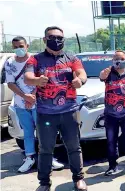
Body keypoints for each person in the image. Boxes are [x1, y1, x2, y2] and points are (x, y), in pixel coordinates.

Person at [24, 26, 87, 191]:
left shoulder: (71, 57)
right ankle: (44, 183)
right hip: (46, 114)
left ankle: (78, 179)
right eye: (52, 37)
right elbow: (28, 78)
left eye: (60, 38)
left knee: (74, 146)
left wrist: (79, 81)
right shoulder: (35, 60)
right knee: (45, 149)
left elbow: (82, 74)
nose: (57, 40)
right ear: (45, 40)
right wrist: (37, 80)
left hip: (69, 112)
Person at [5, 36, 65, 173]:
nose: (18, 49)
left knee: (45, 132)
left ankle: (49, 158)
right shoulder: (10, 62)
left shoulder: (36, 59)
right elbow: (10, 83)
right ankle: (29, 157)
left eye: (21, 46)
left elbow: (43, 80)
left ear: (27, 46)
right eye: (15, 47)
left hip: (40, 102)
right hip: (21, 103)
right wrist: (25, 96)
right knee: (27, 131)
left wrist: (32, 96)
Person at [99, 50, 125, 176]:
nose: (119, 61)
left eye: (122, 58)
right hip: (110, 114)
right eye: (116, 58)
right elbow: (101, 76)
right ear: (113, 60)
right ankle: (112, 166)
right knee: (111, 140)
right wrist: (103, 73)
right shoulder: (108, 74)